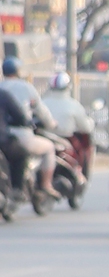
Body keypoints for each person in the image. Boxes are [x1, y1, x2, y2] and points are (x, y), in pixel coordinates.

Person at [0, 53, 60, 203]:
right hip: (19, 135)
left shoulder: (1, 87)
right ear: (19, 71)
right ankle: (45, 184)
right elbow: (40, 111)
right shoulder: (26, 88)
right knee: (49, 148)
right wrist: (52, 124)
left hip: (5, 135)